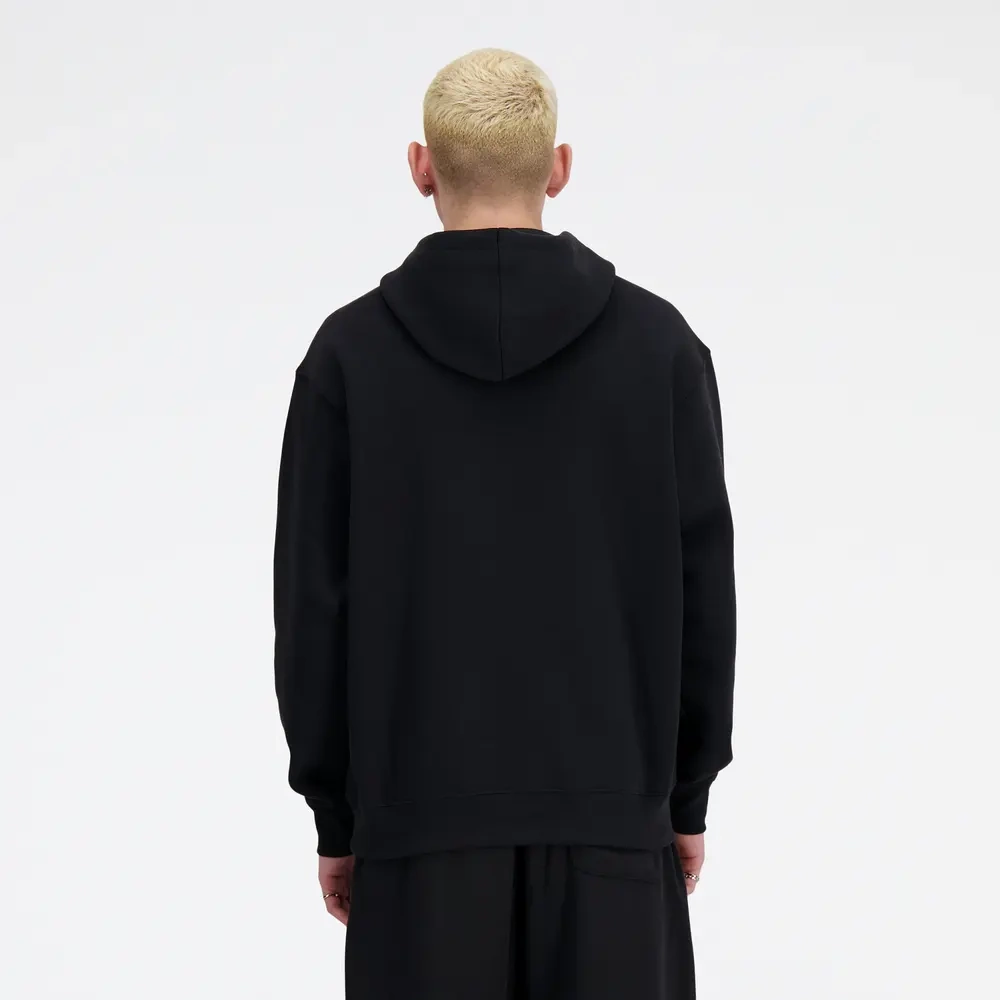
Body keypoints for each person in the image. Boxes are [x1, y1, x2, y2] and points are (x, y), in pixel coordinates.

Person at [274, 47, 736, 999]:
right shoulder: (660, 350)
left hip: (415, 843)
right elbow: (705, 595)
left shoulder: (348, 358)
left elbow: (313, 610)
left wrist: (337, 817)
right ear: (559, 168)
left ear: (421, 168)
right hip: (615, 836)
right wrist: (684, 797)